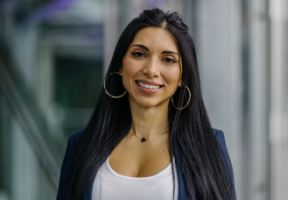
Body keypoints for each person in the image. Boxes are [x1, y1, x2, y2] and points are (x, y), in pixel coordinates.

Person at [56, 8, 236, 200]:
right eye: (139, 54)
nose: (151, 70)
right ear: (120, 66)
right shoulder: (81, 145)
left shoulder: (208, 147)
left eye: (168, 59)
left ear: (183, 76)